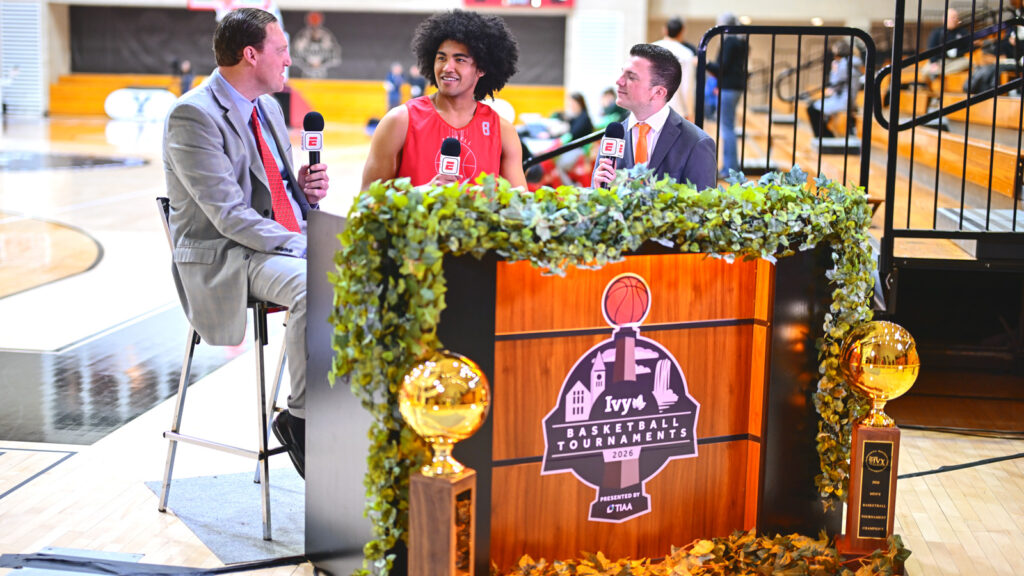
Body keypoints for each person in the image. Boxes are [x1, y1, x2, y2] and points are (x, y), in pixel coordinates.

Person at [162, 8, 329, 479]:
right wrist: (303, 245)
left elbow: (268, 191)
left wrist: (303, 189)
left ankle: (341, 405)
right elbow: (229, 216)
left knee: (360, 273)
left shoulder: (270, 108)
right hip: (227, 256)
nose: (289, 61)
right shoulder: (191, 115)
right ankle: (302, 420)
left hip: (270, 246)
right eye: (281, 50)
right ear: (250, 54)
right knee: (314, 285)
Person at [360, 9, 527, 190]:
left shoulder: (503, 132)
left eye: (460, 60)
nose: (447, 67)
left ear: (482, 69)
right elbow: (368, 198)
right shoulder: (399, 121)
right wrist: (420, 194)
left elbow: (519, 205)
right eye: (441, 58)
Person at [592, 43, 717, 191]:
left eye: (631, 77)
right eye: (622, 73)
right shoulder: (614, 135)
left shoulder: (696, 143)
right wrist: (598, 190)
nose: (619, 81)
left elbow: (703, 209)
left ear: (658, 92)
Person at [805, 39, 863, 138]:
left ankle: (826, 137)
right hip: (843, 98)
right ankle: (826, 136)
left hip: (843, 100)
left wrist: (834, 69)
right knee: (814, 106)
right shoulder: (850, 63)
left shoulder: (844, 65)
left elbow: (835, 84)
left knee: (812, 109)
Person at [714, 12, 748, 179]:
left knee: (727, 128)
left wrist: (705, 63)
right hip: (733, 86)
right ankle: (730, 167)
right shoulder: (740, 41)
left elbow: (723, 67)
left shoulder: (730, 41)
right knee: (728, 127)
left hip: (729, 86)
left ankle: (730, 169)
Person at [652, 16, 697, 121]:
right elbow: (687, 86)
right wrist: (689, 112)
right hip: (677, 109)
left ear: (665, 30)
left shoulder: (650, 49)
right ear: (682, 32)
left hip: (652, 107)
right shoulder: (686, 53)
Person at [554, 92, 594, 185]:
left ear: (579, 103)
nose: (571, 106)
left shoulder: (583, 118)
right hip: (575, 148)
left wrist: (559, 140)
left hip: (579, 150)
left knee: (559, 164)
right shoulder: (578, 116)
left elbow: (573, 134)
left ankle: (571, 188)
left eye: (573, 103)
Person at [925, 8, 973, 78]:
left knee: (967, 62)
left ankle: (939, 73)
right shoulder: (937, 32)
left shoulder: (963, 32)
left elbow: (969, 47)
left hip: (957, 61)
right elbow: (931, 48)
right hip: (940, 61)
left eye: (957, 18)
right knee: (926, 69)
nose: (955, 20)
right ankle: (937, 72)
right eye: (953, 18)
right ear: (945, 19)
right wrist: (934, 62)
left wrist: (958, 53)